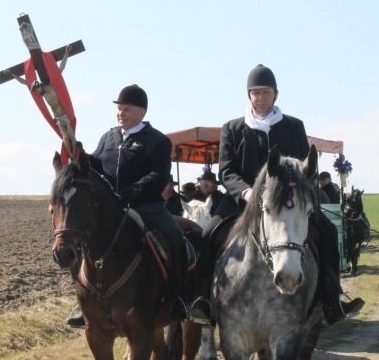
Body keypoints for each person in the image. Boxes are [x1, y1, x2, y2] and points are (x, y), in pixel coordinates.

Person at [188, 64, 363, 326]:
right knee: (209, 234)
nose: (261, 98)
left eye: (266, 92)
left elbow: (306, 167)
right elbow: (227, 171)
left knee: (326, 231)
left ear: (276, 95)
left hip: (288, 203)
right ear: (249, 96)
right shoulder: (233, 128)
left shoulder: (293, 126)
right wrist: (246, 192)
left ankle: (332, 298)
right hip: (243, 202)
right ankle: (203, 301)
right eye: (256, 93)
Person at [65, 84, 188, 328]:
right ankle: (84, 302)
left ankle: (179, 298)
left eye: (127, 109)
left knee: (174, 237)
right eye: (119, 109)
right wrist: (79, 153)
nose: (121, 113)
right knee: (80, 242)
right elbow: (97, 165)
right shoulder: (108, 137)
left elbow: (159, 174)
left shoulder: (157, 140)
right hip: (112, 207)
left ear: (142, 112)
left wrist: (134, 191)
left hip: (146, 205)